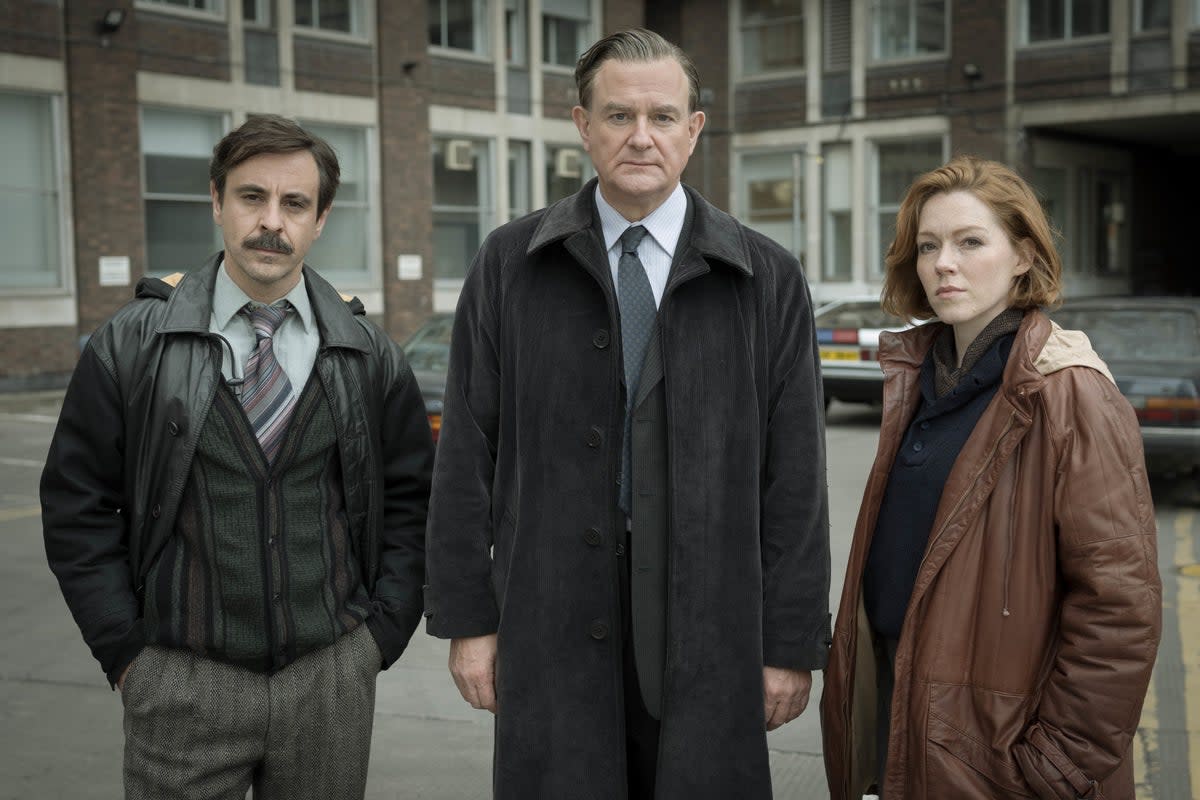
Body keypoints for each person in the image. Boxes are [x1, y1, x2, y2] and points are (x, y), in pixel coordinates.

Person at [422, 27, 831, 800]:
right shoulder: (510, 264)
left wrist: (790, 643)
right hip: (549, 613)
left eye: (663, 117)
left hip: (711, 622)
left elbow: (798, 477)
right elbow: (466, 453)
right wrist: (469, 623)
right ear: (582, 125)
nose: (641, 137)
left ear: (694, 129)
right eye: (617, 116)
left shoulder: (765, 277)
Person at [41, 114, 435, 800]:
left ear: (320, 219)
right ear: (217, 201)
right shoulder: (133, 344)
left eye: (294, 204)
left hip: (330, 681)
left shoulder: (370, 355)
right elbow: (78, 506)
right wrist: (128, 655)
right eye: (252, 197)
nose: (271, 222)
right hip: (181, 684)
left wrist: (379, 638)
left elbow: (411, 502)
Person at [820, 154, 1162, 800]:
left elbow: (1120, 610)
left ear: (1023, 256)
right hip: (904, 700)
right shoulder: (917, 381)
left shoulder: (1071, 394)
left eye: (970, 241)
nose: (943, 263)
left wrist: (1057, 764)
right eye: (928, 246)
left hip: (1001, 747)